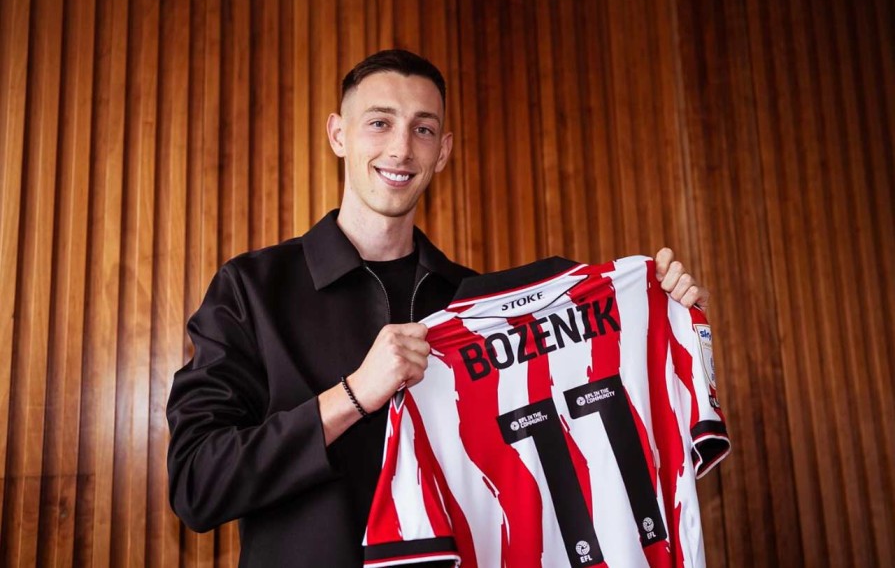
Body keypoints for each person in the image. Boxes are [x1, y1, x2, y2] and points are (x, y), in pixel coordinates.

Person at [166, 49, 710, 567]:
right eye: (379, 122)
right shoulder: (251, 288)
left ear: (442, 151)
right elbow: (197, 484)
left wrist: (664, 318)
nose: (401, 149)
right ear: (338, 135)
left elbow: (581, 450)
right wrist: (354, 396)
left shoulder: (480, 305)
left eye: (422, 129)